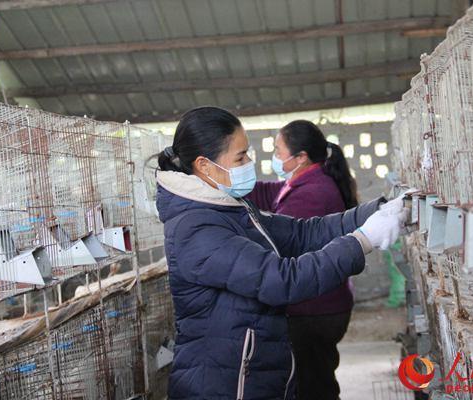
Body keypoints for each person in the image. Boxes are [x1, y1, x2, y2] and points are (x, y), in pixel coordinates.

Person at [155, 106, 408, 400]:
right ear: (205, 165)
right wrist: (362, 240)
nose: (249, 162)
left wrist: (376, 211)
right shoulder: (197, 228)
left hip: (250, 373)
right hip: (224, 384)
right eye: (240, 157)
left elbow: (301, 233)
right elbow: (281, 280)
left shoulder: (230, 206)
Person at [246, 120, 359, 400]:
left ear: (301, 157)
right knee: (316, 380)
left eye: (278, 150)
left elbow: (284, 242)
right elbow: (267, 192)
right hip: (321, 304)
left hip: (314, 310)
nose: (274, 156)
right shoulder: (303, 182)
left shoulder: (312, 192)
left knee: (313, 387)